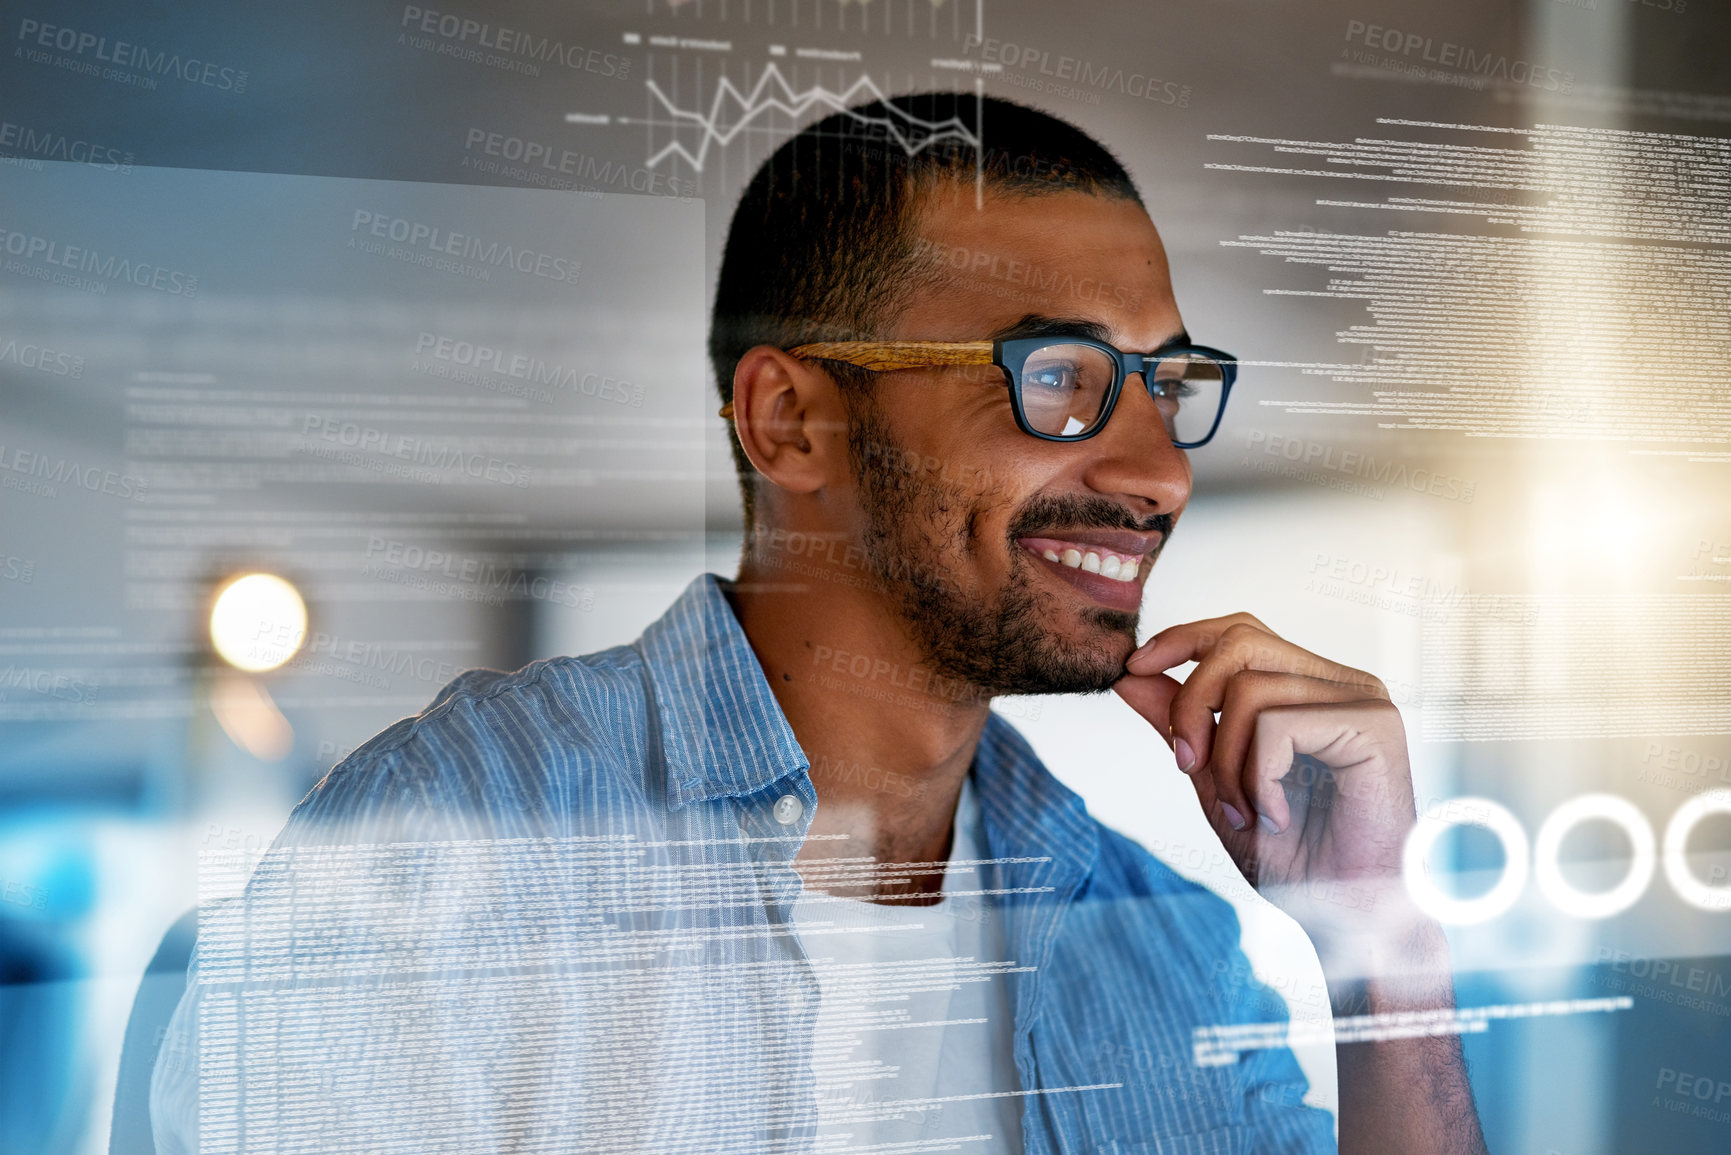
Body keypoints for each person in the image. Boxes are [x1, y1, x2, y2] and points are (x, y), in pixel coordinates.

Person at [150, 94, 1486, 1154]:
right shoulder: (453, 846)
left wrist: (1383, 954)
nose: (1158, 471)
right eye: (1062, 378)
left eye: (1166, 383)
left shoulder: (1166, 943)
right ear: (792, 420)